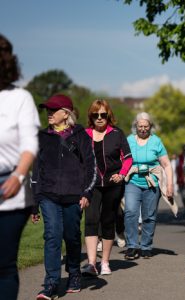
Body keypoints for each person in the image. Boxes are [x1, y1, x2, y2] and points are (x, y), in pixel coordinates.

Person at [30, 94, 96, 299]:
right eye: (47, 110)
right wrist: (34, 203)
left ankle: (74, 273)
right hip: (48, 195)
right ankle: (51, 283)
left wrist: (86, 192)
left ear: (66, 114)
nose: (48, 114)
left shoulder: (80, 136)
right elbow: (36, 171)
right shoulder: (42, 137)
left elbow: (91, 167)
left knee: (72, 237)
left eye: (53, 110)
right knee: (52, 236)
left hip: (73, 196)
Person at [0, 33, 40, 300]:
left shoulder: (20, 99)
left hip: (9, 191)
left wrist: (19, 174)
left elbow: (30, 145)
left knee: (2, 265)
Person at [82, 99, 132, 276]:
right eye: (96, 115)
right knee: (91, 219)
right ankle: (91, 263)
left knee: (108, 221)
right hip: (91, 185)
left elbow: (127, 157)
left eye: (103, 114)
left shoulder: (117, 134)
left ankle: (104, 262)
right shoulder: (84, 134)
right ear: (91, 117)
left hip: (113, 184)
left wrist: (122, 174)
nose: (100, 118)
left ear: (108, 115)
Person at [123, 112, 174, 259]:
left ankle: (146, 246)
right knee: (130, 212)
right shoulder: (129, 140)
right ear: (136, 126)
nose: (143, 129)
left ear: (150, 126)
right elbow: (122, 160)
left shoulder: (156, 141)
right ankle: (132, 245)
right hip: (133, 181)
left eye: (146, 126)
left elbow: (166, 165)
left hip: (152, 182)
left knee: (149, 216)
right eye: (140, 126)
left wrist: (170, 185)